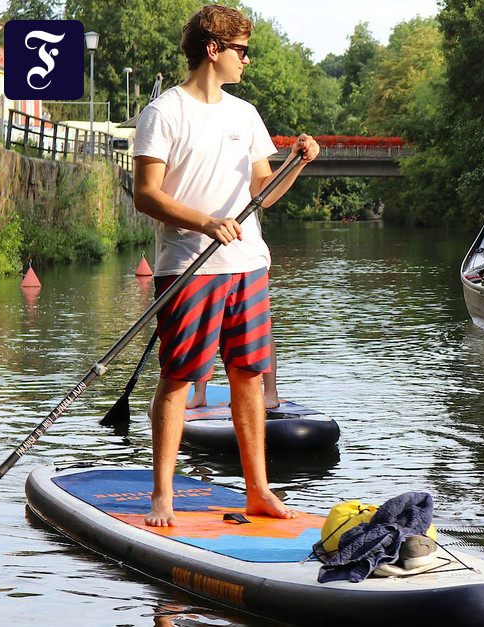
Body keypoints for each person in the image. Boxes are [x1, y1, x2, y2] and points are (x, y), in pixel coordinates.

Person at [133, 4, 319, 527]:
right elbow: (145, 195)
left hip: (248, 266)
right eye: (242, 50)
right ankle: (162, 496)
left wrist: (296, 164)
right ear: (214, 50)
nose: (247, 60)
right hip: (190, 267)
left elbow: (265, 194)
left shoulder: (246, 113)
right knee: (178, 378)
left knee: (248, 375)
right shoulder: (164, 113)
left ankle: (257, 490)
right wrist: (205, 222)